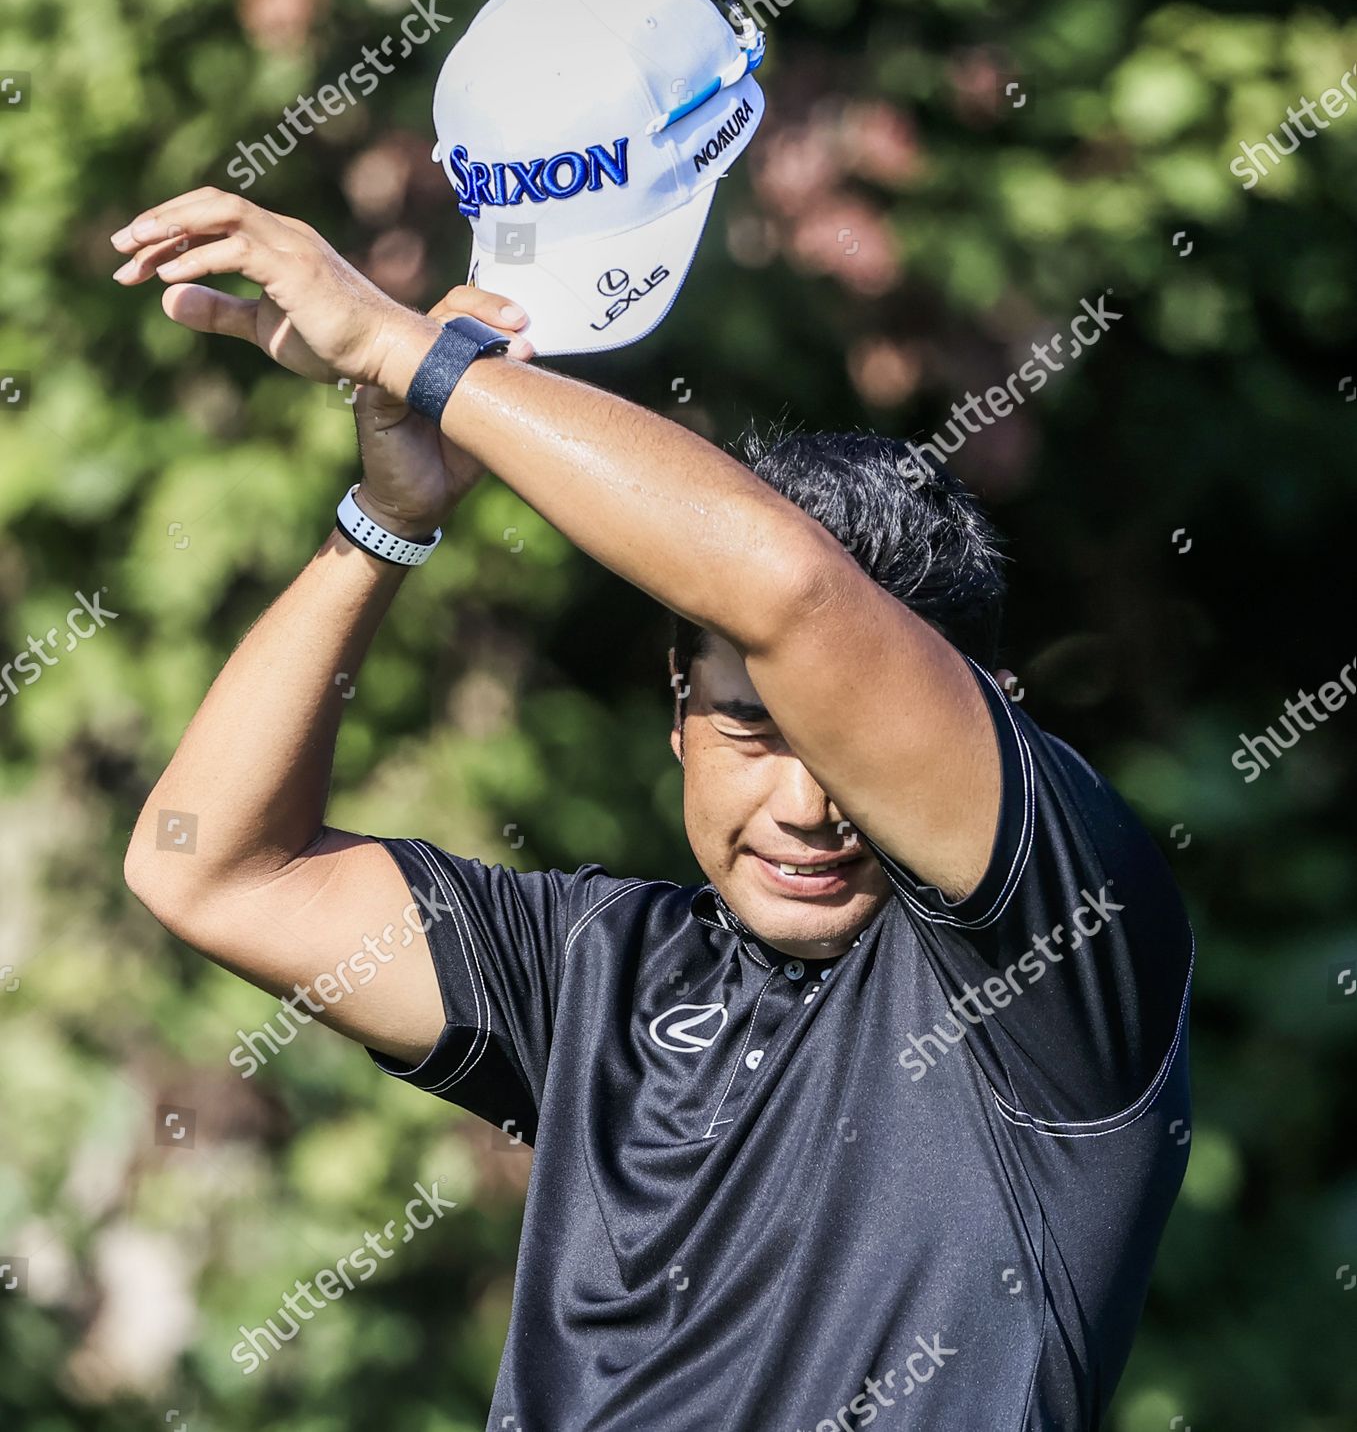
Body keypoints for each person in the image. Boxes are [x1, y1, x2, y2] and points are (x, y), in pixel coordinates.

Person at [115, 187, 1193, 1430]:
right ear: (674, 708)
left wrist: (405, 347)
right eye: (747, 728)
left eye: (844, 749)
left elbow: (788, 594)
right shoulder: (599, 971)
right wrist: (389, 521)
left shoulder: (1060, 957)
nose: (803, 806)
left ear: (993, 725)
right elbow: (209, 870)